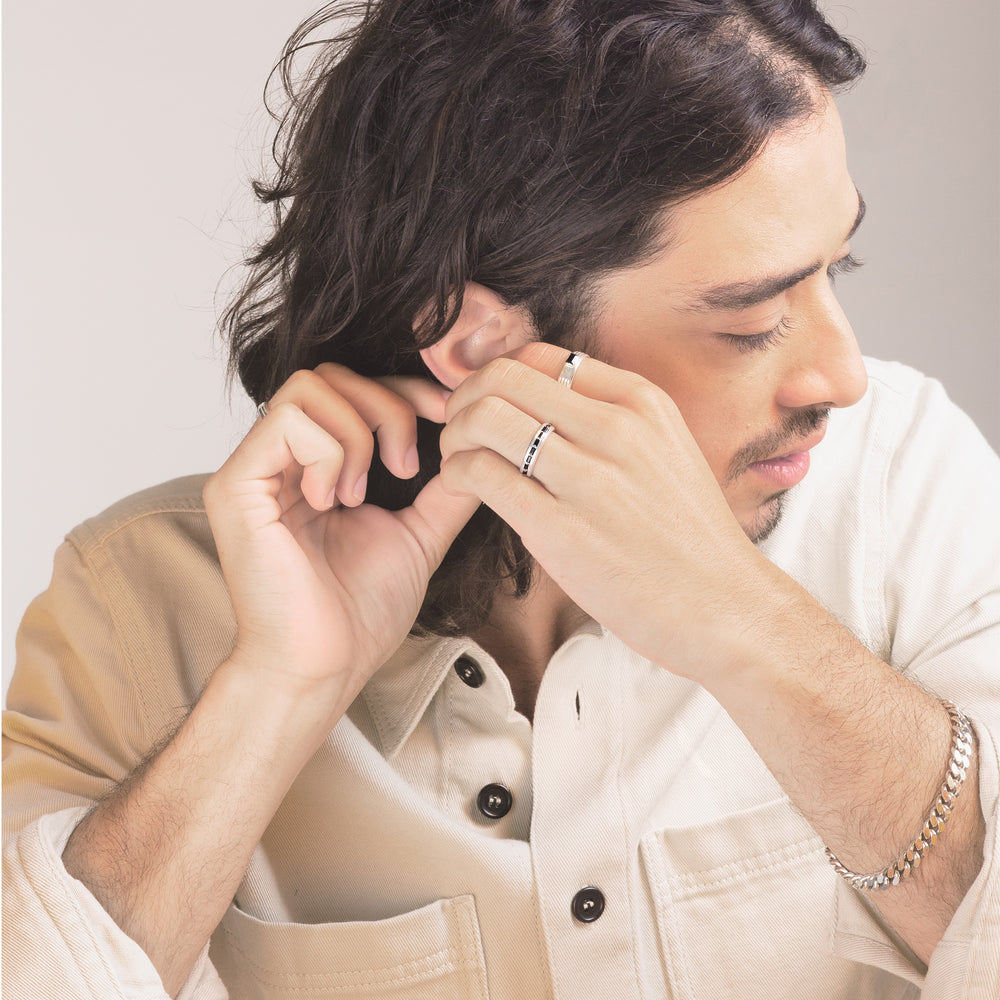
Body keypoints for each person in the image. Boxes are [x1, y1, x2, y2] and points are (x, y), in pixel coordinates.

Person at [3, 1, 998, 997]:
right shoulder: (130, 608)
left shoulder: (904, 488)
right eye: (750, 322)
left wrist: (741, 617)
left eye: (839, 267)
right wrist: (278, 690)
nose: (841, 374)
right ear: (483, 347)